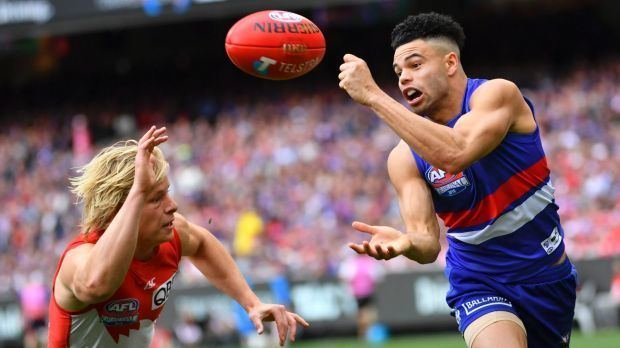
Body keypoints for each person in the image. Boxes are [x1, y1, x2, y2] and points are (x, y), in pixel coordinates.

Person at [338, 12, 577, 348]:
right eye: (398, 72)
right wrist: (408, 243)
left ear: (450, 62)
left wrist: (374, 96)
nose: (404, 78)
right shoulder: (403, 158)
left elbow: (456, 151)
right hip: (478, 282)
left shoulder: (497, 95)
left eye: (415, 65)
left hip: (547, 280)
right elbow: (427, 244)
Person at [48, 126, 308, 347]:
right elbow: (97, 284)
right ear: (123, 208)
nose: (172, 206)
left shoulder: (172, 235)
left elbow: (203, 244)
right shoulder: (79, 258)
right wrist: (138, 191)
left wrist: (251, 304)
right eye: (156, 198)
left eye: (167, 193)